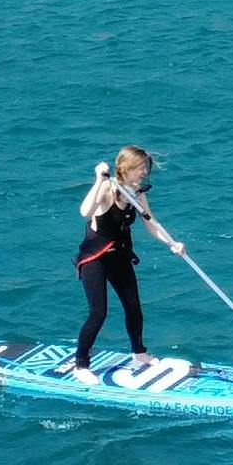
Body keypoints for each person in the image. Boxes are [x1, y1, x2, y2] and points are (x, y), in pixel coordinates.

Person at [72, 146, 184, 376]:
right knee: (98, 312)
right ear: (127, 168)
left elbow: (151, 223)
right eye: (140, 168)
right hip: (95, 258)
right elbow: (85, 211)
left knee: (133, 306)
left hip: (120, 255)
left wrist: (172, 243)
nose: (144, 172)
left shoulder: (137, 194)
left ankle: (139, 352)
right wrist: (99, 179)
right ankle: (81, 364)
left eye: (145, 168)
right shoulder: (107, 188)